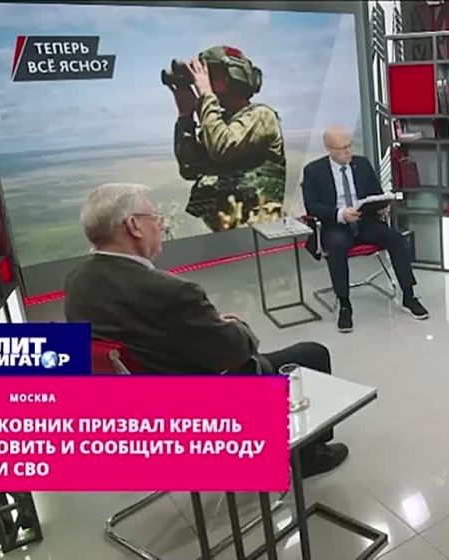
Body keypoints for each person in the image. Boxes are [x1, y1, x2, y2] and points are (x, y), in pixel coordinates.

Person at [64, 183, 348, 476]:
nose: (161, 226)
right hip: (194, 404)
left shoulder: (76, 282)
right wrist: (235, 326)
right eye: (155, 218)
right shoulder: (171, 291)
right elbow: (234, 352)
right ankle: (309, 458)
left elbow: (140, 333)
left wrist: (200, 325)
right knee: (312, 354)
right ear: (134, 226)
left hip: (135, 406)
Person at [302, 127, 429, 333]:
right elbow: (312, 207)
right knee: (337, 246)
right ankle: (345, 304)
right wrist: (340, 214)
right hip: (337, 225)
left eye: (349, 146)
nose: (348, 151)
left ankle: (409, 296)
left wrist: (382, 206)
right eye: (342, 148)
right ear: (329, 149)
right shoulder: (313, 171)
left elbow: (375, 194)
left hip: (365, 222)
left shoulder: (361, 164)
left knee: (396, 238)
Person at [170, 46, 286, 232]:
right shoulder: (219, 123)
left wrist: (206, 95)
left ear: (234, 76)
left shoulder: (261, 116)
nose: (204, 81)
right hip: (226, 229)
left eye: (210, 76)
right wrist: (185, 116)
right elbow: (189, 168)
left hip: (259, 230)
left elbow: (222, 147)